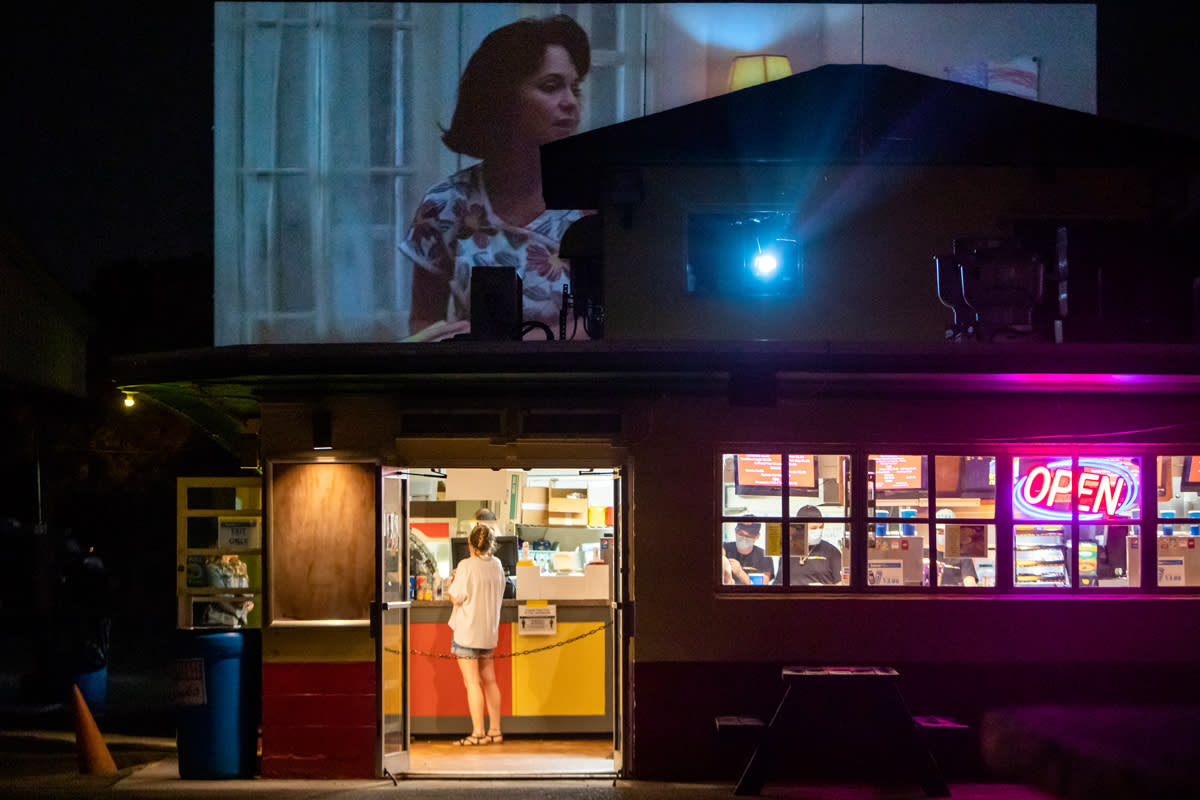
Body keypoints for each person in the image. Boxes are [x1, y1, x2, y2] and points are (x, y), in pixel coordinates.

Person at [401, 15, 594, 340]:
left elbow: (616, 323)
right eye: (551, 87)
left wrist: (510, 343)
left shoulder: (598, 200)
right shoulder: (445, 205)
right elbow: (424, 322)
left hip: (578, 387)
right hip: (477, 386)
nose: (571, 103)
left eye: (575, 89)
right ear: (501, 98)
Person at [447, 522, 508, 745]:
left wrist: (455, 577)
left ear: (470, 544)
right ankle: (495, 731)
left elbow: (456, 597)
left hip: (467, 632)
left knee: (472, 683)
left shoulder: (465, 565)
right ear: (491, 544)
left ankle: (478, 734)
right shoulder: (498, 565)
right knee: (490, 681)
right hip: (488, 632)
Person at [784, 505, 843, 585]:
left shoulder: (832, 551)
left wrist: (824, 588)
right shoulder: (788, 550)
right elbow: (780, 581)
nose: (818, 531)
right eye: (813, 528)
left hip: (822, 596)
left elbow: (842, 583)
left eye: (821, 527)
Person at [723, 519, 775, 584]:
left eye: (748, 536)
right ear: (736, 531)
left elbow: (761, 586)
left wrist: (740, 573)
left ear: (757, 536)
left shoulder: (764, 557)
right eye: (741, 534)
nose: (744, 539)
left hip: (750, 594)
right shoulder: (726, 547)